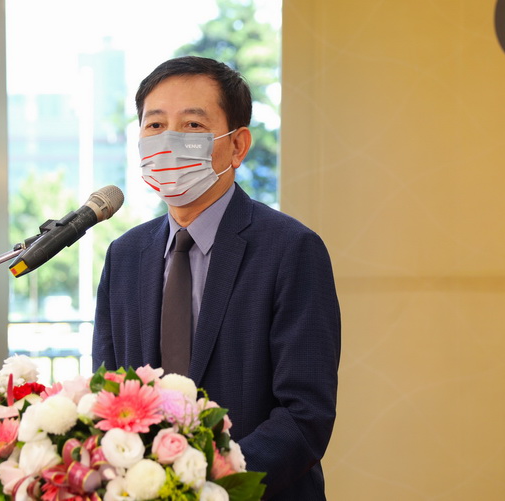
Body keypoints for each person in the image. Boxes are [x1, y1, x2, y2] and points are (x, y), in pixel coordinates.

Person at [92, 56, 341, 500]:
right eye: (155, 125)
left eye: (192, 125)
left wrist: (207, 483)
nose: (168, 140)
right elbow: (109, 396)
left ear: (238, 145)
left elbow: (305, 415)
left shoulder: (291, 250)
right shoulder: (125, 255)